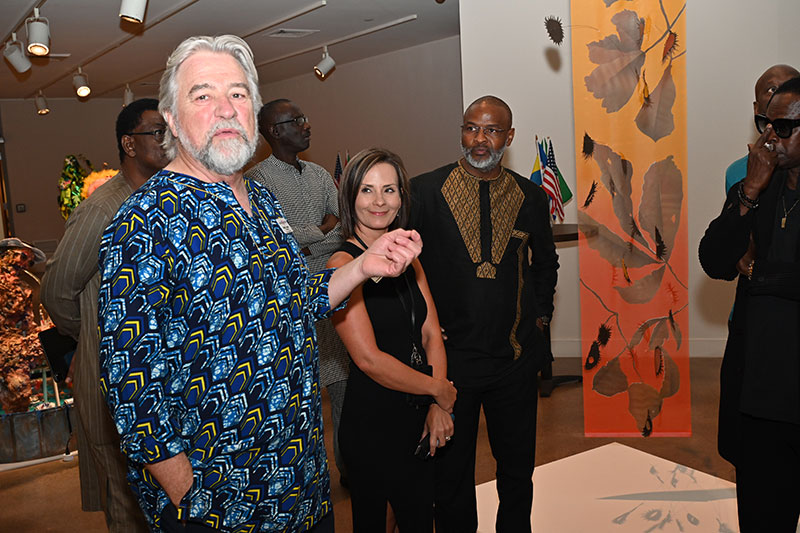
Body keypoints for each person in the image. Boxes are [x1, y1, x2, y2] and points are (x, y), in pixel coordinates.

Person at [96, 35, 421, 533]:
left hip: (303, 488)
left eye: (238, 93)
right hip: (220, 509)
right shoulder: (144, 222)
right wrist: (189, 497)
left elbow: (298, 300)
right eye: (203, 95)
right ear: (173, 119)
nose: (226, 108)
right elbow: (130, 385)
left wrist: (363, 266)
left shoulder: (264, 204)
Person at [410, 95, 559, 533]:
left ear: (508, 137)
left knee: (517, 471)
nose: (480, 139)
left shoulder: (531, 196)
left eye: (491, 130)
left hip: (514, 359)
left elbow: (545, 263)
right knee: (450, 478)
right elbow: (404, 265)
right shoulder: (424, 191)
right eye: (472, 128)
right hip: (450, 364)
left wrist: (541, 316)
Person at [40, 98, 168, 533]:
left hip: (162, 376)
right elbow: (57, 292)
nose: (168, 141)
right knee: (127, 499)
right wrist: (94, 338)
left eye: (171, 132)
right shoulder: (103, 209)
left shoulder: (167, 199)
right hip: (112, 379)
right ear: (129, 145)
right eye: (157, 133)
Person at [327, 148, 456, 532]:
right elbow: (369, 359)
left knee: (419, 520)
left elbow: (431, 333)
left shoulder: (409, 256)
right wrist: (439, 389)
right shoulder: (342, 266)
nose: (379, 201)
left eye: (389, 189)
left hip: (417, 412)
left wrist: (436, 404)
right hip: (374, 422)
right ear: (350, 197)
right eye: (366, 190)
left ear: (402, 197)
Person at [700, 77, 800, 532]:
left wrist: (762, 275)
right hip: (759, 398)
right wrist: (749, 193)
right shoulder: (758, 187)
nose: (771, 137)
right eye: (765, 124)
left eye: (784, 127)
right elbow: (715, 260)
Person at [245, 99, 349, 484]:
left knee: (343, 391)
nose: (307, 125)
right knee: (300, 401)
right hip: (289, 301)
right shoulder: (256, 181)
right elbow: (273, 241)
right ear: (275, 131)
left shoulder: (319, 174)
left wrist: (313, 239)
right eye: (297, 120)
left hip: (332, 290)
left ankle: (350, 472)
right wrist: (322, 230)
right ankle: (306, 479)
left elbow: (346, 224)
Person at [725, 65, 799, 193]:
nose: (782, 96)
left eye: (790, 86)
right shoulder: (737, 172)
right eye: (772, 89)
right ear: (756, 109)